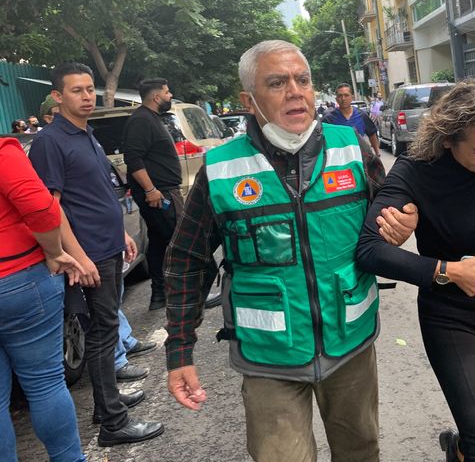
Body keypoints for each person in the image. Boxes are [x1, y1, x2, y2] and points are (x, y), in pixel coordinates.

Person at [164, 40, 416, 462]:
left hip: (350, 344)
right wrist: (179, 351)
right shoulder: (221, 168)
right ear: (249, 100)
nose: (295, 91)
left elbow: (387, 220)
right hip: (269, 358)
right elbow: (188, 262)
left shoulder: (353, 147)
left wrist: (402, 226)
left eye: (303, 80)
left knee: (361, 451)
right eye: (277, 83)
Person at [357, 81, 475, 462]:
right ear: (447, 140)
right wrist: (449, 271)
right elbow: (369, 250)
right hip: (451, 318)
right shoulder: (414, 171)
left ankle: (458, 448)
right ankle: (473, 447)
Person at [28, 62, 164, 447]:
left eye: (90, 89)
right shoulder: (50, 142)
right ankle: (112, 423)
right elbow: (51, 209)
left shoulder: (85, 134)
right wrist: (79, 257)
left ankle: (107, 406)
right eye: (77, 91)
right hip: (88, 255)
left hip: (108, 247)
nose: (87, 97)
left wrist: (120, 232)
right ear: (57, 96)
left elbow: (95, 192)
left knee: (104, 331)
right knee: (102, 334)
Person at [0, 137, 97, 462]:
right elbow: (41, 205)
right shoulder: (3, 152)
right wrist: (55, 252)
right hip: (18, 279)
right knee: (44, 383)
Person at [121, 78, 183, 310]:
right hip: (159, 194)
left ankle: (160, 294)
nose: (170, 95)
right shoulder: (141, 120)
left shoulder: (151, 119)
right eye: (167, 92)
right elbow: (133, 159)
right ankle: (179, 292)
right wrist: (151, 189)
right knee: (177, 241)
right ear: (156, 97)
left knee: (159, 242)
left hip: (164, 191)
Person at [322, 83, 382, 158]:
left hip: (359, 158)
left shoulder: (362, 116)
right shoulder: (328, 119)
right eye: (340, 96)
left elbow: (372, 133)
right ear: (336, 99)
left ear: (352, 97)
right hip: (339, 160)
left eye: (346, 95)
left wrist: (377, 153)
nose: (343, 98)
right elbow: (320, 140)